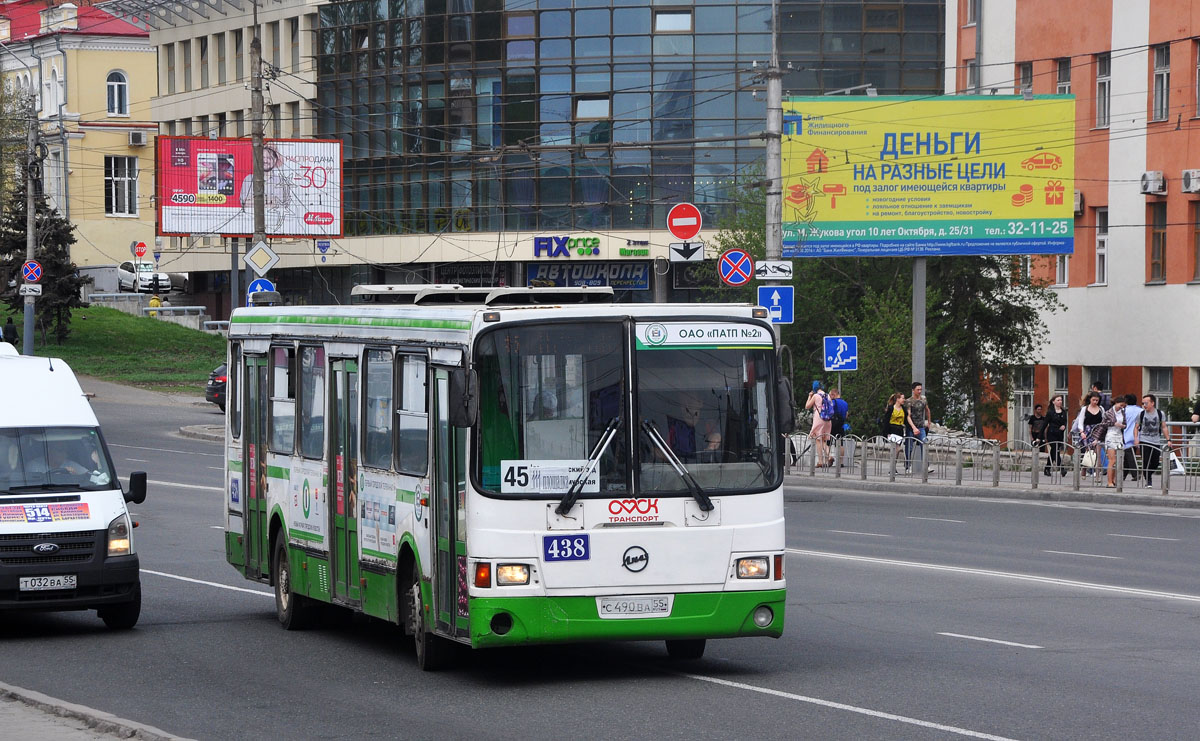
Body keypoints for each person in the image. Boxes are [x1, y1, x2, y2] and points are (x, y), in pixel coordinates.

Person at [239, 145, 293, 232]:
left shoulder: (282, 182)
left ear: (275, 160)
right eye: (262, 157)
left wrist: (257, 201)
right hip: (251, 226)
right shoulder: (249, 179)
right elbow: (245, 203)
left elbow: (284, 206)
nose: (265, 160)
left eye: (269, 158)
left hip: (277, 227)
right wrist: (270, 201)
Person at [1134, 394, 1167, 489]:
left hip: (1156, 441)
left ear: (1152, 403)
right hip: (1144, 440)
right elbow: (1136, 427)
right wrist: (1136, 438)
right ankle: (1148, 480)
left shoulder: (1160, 414)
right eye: (1143, 403)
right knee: (1146, 461)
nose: (1144, 405)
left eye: (1146, 403)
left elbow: (1164, 427)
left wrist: (1168, 439)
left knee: (1155, 462)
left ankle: (1147, 472)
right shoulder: (1141, 414)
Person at [1072, 392, 1105, 477]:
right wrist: (1082, 432)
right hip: (1087, 431)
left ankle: (1097, 473)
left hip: (1098, 431)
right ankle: (1084, 468)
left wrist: (1102, 432)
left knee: (1097, 451)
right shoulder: (1085, 409)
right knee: (1089, 451)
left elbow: (1103, 421)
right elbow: (1080, 421)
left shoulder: (1101, 409)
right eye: (1093, 400)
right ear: (1090, 399)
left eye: (1097, 400)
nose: (1095, 402)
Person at [903, 382, 932, 474]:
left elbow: (927, 410)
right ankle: (908, 466)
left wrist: (929, 422)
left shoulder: (923, 399)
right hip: (911, 427)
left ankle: (926, 465)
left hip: (921, 426)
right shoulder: (909, 401)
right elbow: (908, 415)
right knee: (909, 447)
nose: (919, 391)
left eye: (920, 389)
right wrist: (913, 427)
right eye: (917, 389)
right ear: (913, 390)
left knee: (925, 443)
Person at [805, 381, 833, 468]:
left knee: (817, 439)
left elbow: (807, 406)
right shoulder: (827, 395)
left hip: (819, 418)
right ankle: (829, 455)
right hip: (828, 419)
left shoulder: (816, 396)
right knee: (824, 440)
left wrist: (809, 396)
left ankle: (820, 461)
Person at [1102, 396, 1128, 487]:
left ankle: (1114, 480)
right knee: (1112, 460)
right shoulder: (1108, 413)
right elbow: (1103, 424)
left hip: (1119, 435)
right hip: (1111, 435)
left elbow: (1125, 423)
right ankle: (1109, 481)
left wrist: (1123, 426)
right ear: (1116, 403)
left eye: (1123, 406)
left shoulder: (1123, 412)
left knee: (1118, 459)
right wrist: (1113, 423)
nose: (1121, 407)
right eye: (1121, 405)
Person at [1044, 395, 1069, 476]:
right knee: (1055, 450)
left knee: (1053, 451)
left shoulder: (1063, 411)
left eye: (1061, 400)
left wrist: (1064, 426)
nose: (1060, 401)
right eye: (1058, 400)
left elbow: (1065, 422)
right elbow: (1044, 424)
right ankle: (1061, 468)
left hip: (1059, 434)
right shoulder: (1050, 412)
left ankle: (1047, 468)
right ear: (1053, 401)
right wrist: (1038, 437)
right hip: (1051, 434)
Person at [884, 392, 908, 469]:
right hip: (892, 429)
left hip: (900, 430)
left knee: (898, 449)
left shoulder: (903, 409)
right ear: (897, 399)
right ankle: (892, 467)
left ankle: (893, 466)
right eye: (902, 398)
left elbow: (906, 420)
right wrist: (887, 432)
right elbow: (886, 420)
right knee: (895, 448)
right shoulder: (891, 408)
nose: (904, 400)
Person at [1121, 393, 1142, 481]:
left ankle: (1135, 473)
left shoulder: (1124, 411)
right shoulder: (1140, 410)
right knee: (1127, 456)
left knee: (1129, 455)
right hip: (1137, 435)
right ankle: (1123, 475)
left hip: (1127, 435)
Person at [829, 388, 849, 467]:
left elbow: (829, 412)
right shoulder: (845, 403)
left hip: (833, 424)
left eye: (830, 395)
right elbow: (847, 415)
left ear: (834, 394)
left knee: (828, 442)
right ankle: (841, 462)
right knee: (840, 443)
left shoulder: (833, 402)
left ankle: (829, 458)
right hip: (841, 424)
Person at [1028, 404, 1048, 471]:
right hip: (1034, 434)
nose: (1039, 411)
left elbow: (1045, 429)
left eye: (1040, 409)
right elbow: (1030, 428)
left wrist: (1045, 437)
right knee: (1035, 449)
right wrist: (1031, 437)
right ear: (1035, 410)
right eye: (1038, 409)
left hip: (1041, 435)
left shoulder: (1043, 418)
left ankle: (1040, 465)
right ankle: (1033, 465)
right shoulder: (1032, 418)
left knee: (1042, 449)